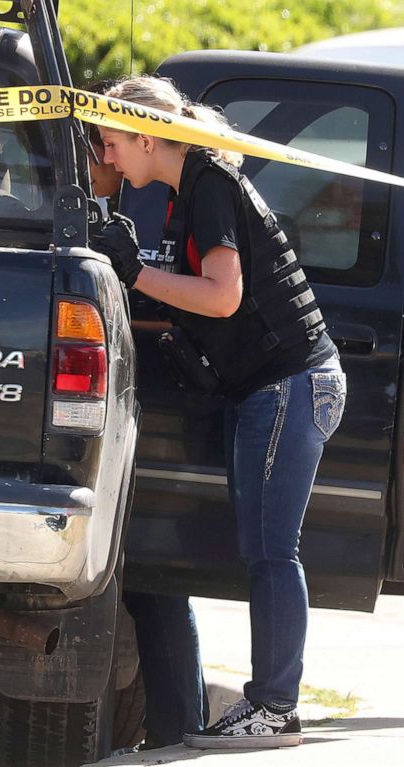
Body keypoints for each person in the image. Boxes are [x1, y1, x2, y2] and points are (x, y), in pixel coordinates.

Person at [89, 75, 347, 750]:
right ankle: (268, 701)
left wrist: (134, 272)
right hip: (278, 385)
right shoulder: (192, 188)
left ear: (146, 137)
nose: (109, 157)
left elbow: (224, 295)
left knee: (271, 553)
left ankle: (276, 706)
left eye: (113, 143)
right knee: (262, 550)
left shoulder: (208, 186)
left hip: (290, 384)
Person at [85, 84, 210, 751]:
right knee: (135, 580)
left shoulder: (173, 190)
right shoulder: (108, 199)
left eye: (105, 145)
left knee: (156, 574)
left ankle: (178, 724)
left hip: (157, 399)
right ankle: (170, 721)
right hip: (108, 405)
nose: (99, 156)